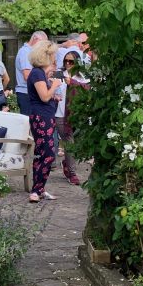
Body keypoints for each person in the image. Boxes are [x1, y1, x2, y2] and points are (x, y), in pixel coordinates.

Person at [26, 39, 61, 203]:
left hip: (45, 115)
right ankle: (36, 190)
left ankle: (39, 189)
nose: (54, 58)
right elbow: (44, 97)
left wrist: (54, 96)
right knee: (47, 154)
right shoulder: (37, 73)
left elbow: (45, 97)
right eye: (52, 54)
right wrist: (54, 85)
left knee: (43, 153)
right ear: (46, 55)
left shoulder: (40, 73)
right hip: (41, 117)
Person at [55, 51, 81, 185]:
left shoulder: (82, 77)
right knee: (68, 141)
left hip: (77, 114)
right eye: (66, 61)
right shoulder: (58, 74)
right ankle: (72, 173)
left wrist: (73, 82)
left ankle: (67, 162)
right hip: (60, 114)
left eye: (71, 61)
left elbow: (87, 89)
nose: (68, 64)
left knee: (76, 142)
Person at [14, 30, 47, 115]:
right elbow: (27, 75)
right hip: (26, 93)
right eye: (42, 43)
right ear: (35, 39)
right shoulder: (26, 52)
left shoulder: (29, 52)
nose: (42, 47)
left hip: (27, 92)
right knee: (28, 121)